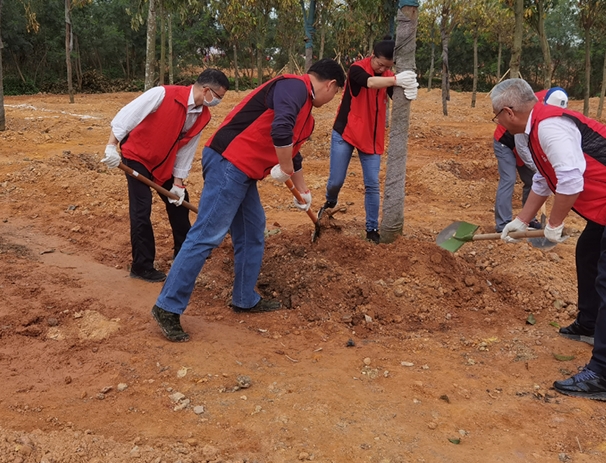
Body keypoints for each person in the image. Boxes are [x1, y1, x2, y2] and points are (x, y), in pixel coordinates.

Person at [492, 78, 606, 402]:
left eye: (496, 118)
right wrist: (520, 221)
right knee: (589, 252)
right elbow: (546, 179)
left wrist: (554, 224)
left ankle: (605, 376)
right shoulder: (535, 130)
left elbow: (571, 180)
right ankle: (589, 325)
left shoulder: (549, 127)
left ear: (508, 112)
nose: (498, 125)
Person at [151, 58, 346, 342]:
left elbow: (294, 153)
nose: (333, 98)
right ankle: (167, 307)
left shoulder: (308, 116)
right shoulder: (294, 88)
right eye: (336, 92)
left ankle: (244, 298)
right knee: (207, 234)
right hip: (229, 161)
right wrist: (284, 168)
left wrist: (303, 193)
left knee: (253, 231)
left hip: (245, 171)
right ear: (330, 85)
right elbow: (281, 131)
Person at [100, 69, 230, 283]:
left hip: (164, 163)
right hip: (138, 156)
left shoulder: (203, 115)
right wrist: (111, 146)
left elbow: (186, 149)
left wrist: (178, 183)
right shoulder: (163, 94)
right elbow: (127, 115)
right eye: (218, 97)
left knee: (180, 203)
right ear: (207, 90)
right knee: (141, 209)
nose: (217, 102)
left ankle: (185, 255)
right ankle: (141, 266)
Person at [318, 39, 418, 243]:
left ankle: (372, 229)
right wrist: (397, 80)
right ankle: (331, 200)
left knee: (372, 184)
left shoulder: (390, 76)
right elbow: (371, 83)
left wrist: (409, 90)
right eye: (380, 64)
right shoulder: (356, 69)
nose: (383, 69)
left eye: (388, 67)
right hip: (346, 132)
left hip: (372, 138)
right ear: (372, 55)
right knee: (336, 180)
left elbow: (395, 96)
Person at [493, 87, 569, 232]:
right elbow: (521, 147)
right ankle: (503, 224)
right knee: (509, 179)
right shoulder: (529, 109)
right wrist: (541, 168)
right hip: (506, 143)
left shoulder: (559, 103)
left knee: (532, 180)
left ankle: (529, 219)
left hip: (526, 145)